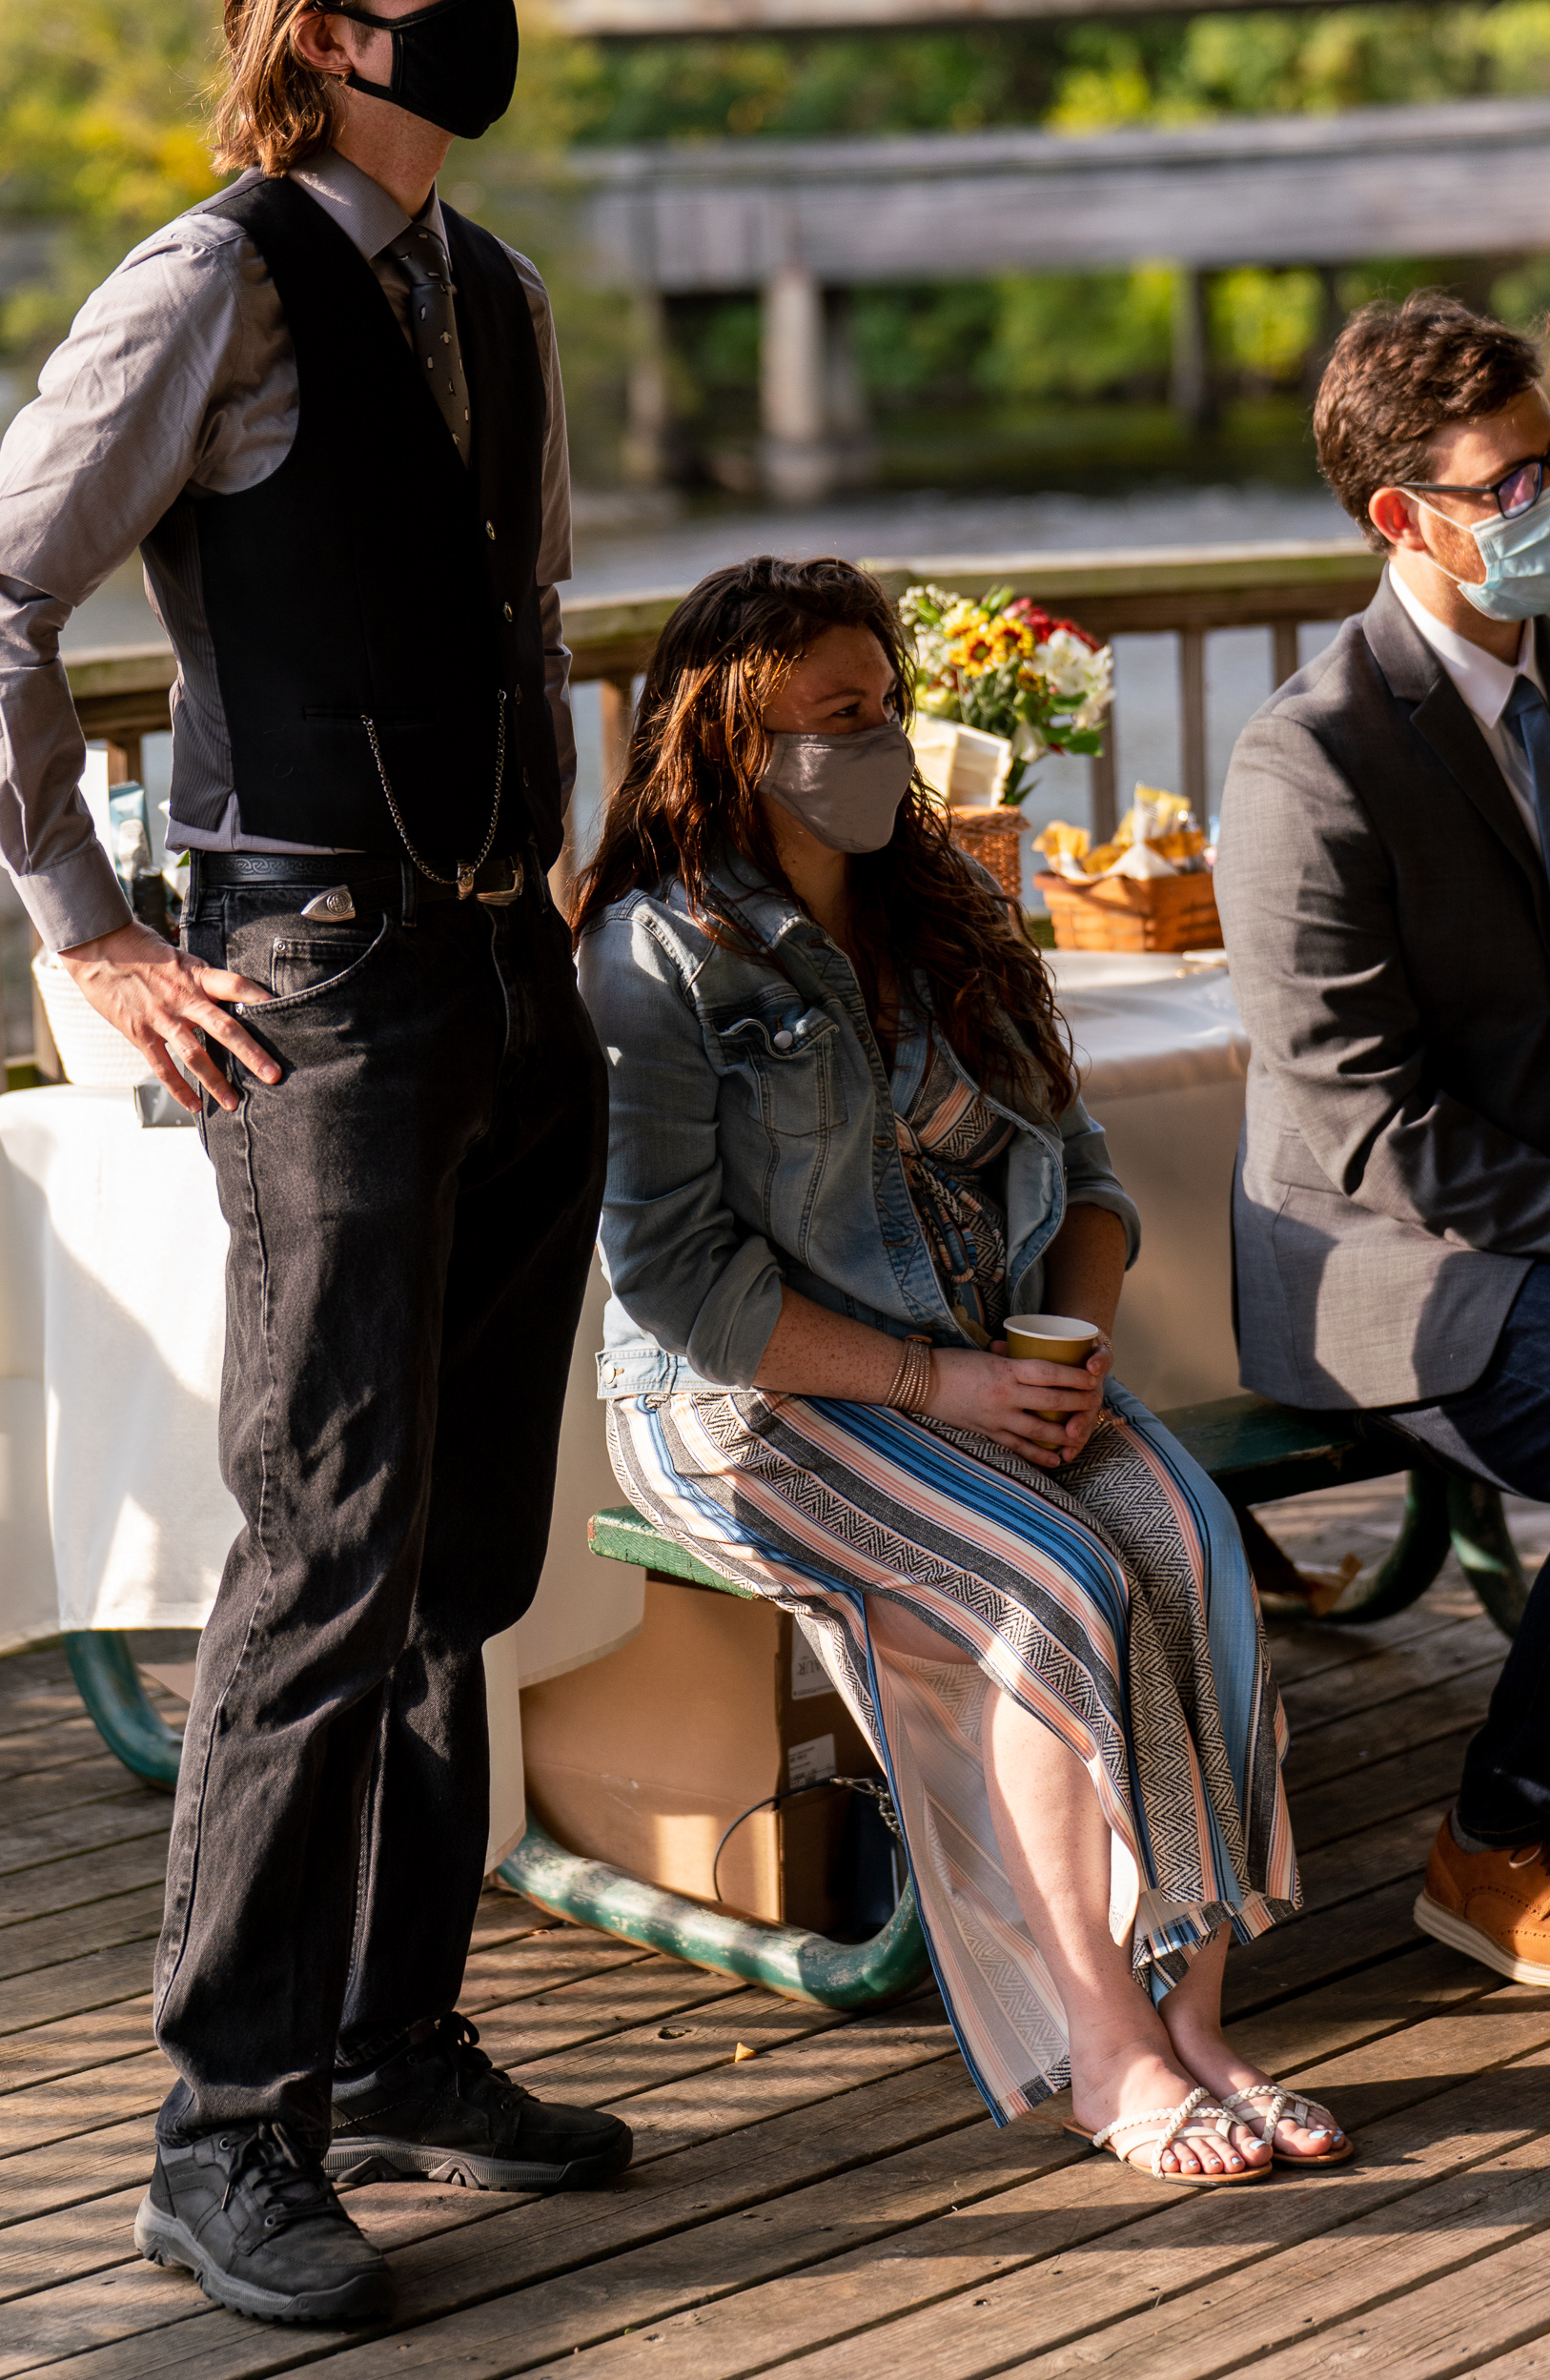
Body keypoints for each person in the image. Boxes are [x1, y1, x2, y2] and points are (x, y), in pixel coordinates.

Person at [0, 0, 624, 2332]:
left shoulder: (496, 291)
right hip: (316, 977)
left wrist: (555, 881)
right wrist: (91, 930)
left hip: (506, 970)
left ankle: (400, 2038)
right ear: (330, 23)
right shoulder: (210, 279)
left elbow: (523, 608)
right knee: (323, 1554)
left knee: (464, 1562)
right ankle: (223, 2136)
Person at [574, 554, 1347, 2182]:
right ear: (734, 739)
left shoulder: (948, 910)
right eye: (837, 715)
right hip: (750, 1404)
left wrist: (1074, 1339)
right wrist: (944, 1390)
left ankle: (1199, 2012)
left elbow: (1090, 1174)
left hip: (983, 1362)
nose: (880, 742)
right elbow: (680, 1283)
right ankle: (1104, 2043)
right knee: (1053, 1585)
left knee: (1192, 1547)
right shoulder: (657, 954)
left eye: (888, 706)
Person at [1217, 289, 1550, 1994]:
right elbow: (1368, 1121)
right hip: (1393, 1273)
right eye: (1515, 486)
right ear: (1403, 517)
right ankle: (1498, 1836)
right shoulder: (1311, 760)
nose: (1546, 504)